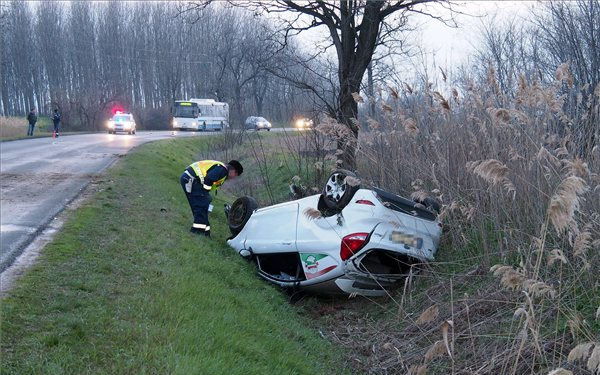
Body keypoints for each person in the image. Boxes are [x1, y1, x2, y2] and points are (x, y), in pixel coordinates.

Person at [180, 160, 243, 238]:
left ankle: (205, 232)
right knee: (200, 206)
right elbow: (208, 179)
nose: (233, 178)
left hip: (191, 179)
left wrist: (206, 195)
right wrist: (204, 193)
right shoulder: (223, 170)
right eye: (235, 175)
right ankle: (197, 231)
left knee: (203, 204)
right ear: (233, 171)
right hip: (192, 179)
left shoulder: (221, 169)